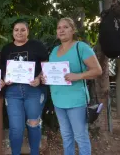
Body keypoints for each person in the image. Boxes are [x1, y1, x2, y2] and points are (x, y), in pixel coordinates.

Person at [41, 18, 102, 155]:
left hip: (76, 100)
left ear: (72, 30)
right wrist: (46, 78)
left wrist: (78, 76)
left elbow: (97, 70)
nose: (61, 30)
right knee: (66, 135)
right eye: (59, 28)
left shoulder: (81, 47)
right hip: (58, 100)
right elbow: (52, 71)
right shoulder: (54, 50)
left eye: (65, 27)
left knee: (80, 136)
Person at [0, 19, 48, 155]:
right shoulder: (6, 49)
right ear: (12, 32)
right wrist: (5, 79)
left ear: (28, 31)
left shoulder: (36, 46)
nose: (19, 32)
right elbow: (2, 70)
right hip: (13, 92)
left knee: (34, 124)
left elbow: (46, 67)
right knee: (16, 128)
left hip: (33, 91)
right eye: (16, 30)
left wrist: (39, 79)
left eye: (23, 30)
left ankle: (34, 152)